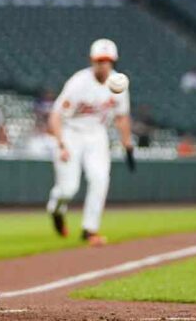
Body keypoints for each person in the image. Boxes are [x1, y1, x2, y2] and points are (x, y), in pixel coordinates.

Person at [46, 39, 133, 247]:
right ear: (91, 60)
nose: (103, 64)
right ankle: (55, 209)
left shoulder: (118, 84)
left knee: (100, 179)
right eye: (99, 60)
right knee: (68, 189)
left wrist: (128, 145)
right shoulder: (78, 83)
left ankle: (89, 229)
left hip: (97, 134)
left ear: (113, 61)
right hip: (71, 132)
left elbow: (121, 117)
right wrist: (61, 144)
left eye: (107, 60)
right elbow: (56, 115)